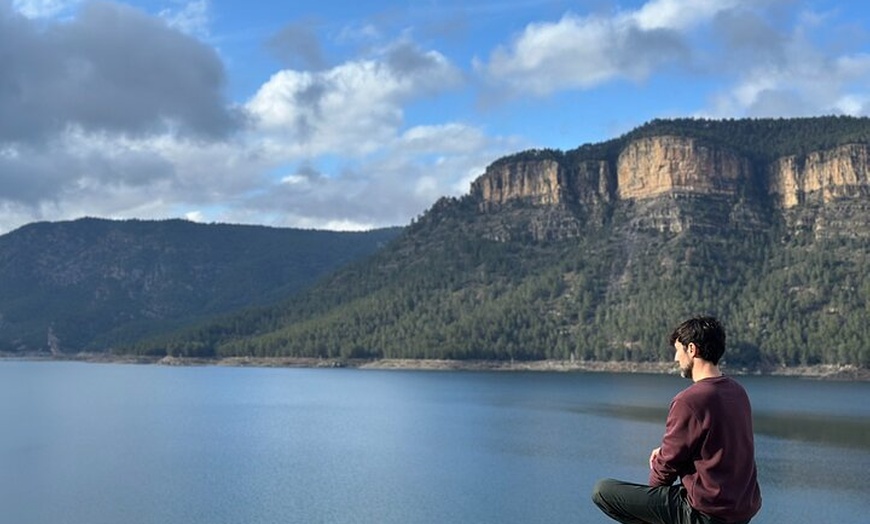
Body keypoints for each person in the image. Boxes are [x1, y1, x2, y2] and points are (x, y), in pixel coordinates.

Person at [591, 316, 762, 524]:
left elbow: (667, 466)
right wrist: (666, 453)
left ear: (692, 349)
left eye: (678, 350)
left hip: (705, 513)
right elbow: (715, 449)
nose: (675, 358)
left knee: (602, 491)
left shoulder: (690, 400)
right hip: (739, 512)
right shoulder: (737, 391)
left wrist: (650, 499)